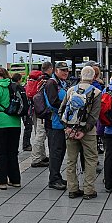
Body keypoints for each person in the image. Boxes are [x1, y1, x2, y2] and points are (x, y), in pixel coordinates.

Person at [59, 66, 101, 199]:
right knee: (90, 159)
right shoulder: (96, 92)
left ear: (80, 75)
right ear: (94, 77)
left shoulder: (71, 90)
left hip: (70, 129)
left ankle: (72, 189)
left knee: (71, 160)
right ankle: (88, 190)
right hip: (87, 132)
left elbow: (61, 111)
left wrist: (67, 128)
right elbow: (94, 116)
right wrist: (84, 131)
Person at [44, 61, 70, 190]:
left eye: (66, 70)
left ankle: (57, 176)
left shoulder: (61, 83)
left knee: (60, 151)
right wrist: (68, 105)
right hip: (54, 123)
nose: (65, 72)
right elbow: (53, 102)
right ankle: (53, 179)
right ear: (56, 71)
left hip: (60, 123)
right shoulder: (51, 83)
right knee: (55, 151)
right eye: (62, 70)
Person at [29, 63, 53, 167]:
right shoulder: (46, 80)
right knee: (40, 134)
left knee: (40, 133)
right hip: (43, 111)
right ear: (50, 69)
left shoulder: (37, 79)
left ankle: (42, 156)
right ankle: (36, 158)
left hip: (37, 110)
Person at [12, 72, 33, 152]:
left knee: (14, 130)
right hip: (23, 111)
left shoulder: (10, 86)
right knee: (28, 127)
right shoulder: (20, 87)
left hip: (13, 110)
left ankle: (14, 148)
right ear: (19, 79)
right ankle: (26, 144)